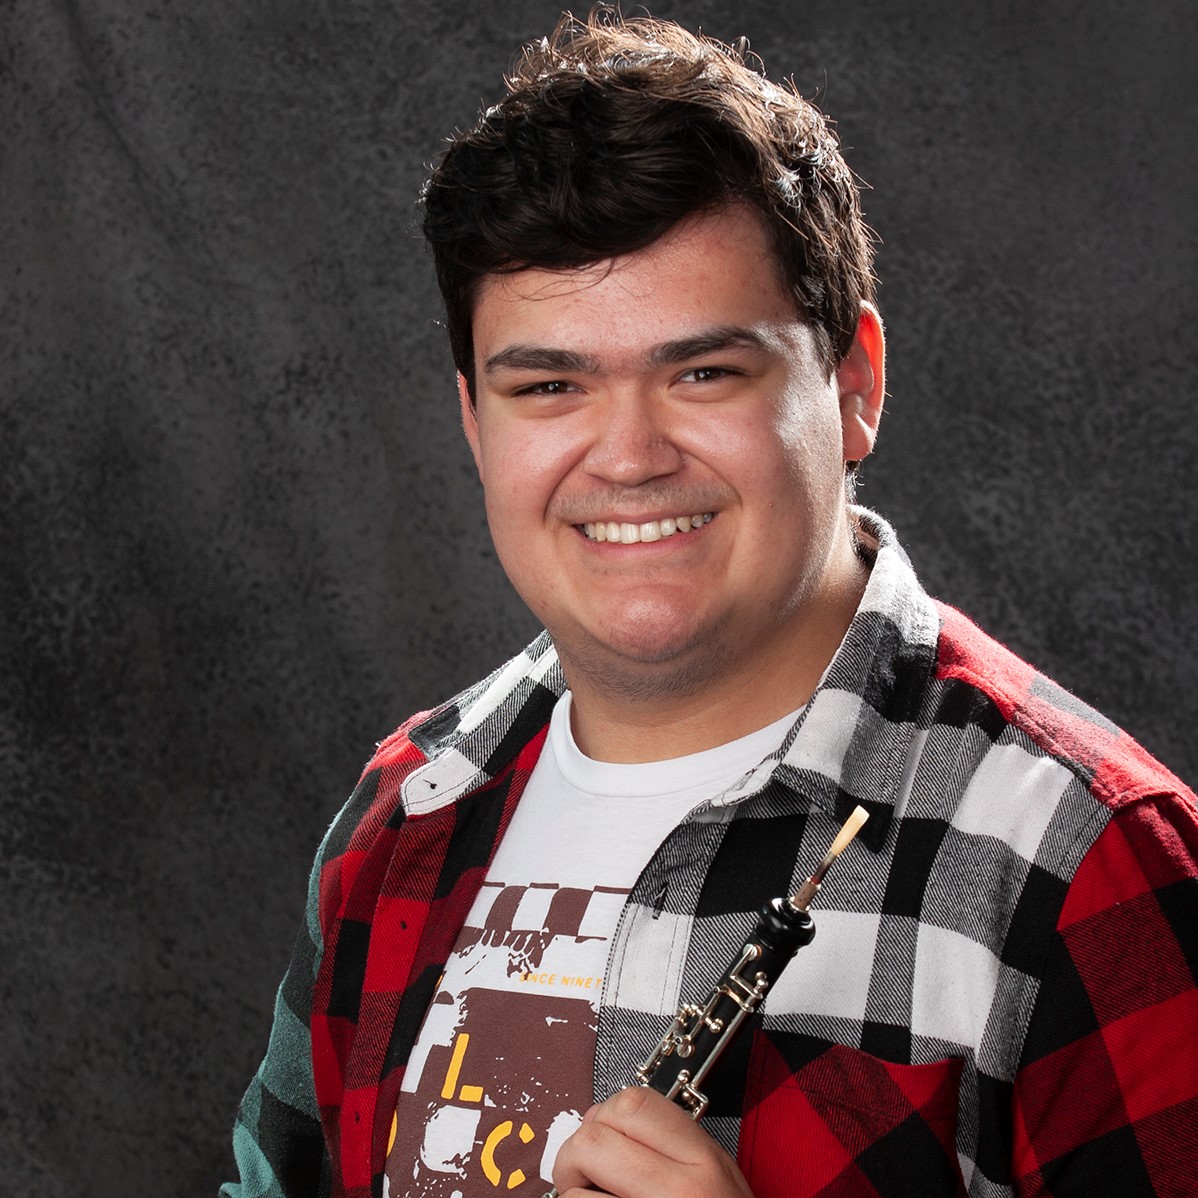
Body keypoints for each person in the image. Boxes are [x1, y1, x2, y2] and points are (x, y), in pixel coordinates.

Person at [222, 11, 1198, 1198]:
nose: (627, 456)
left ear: (855, 387)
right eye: (550, 385)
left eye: (702, 372)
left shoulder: (1089, 864)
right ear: (475, 423)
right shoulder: (405, 813)